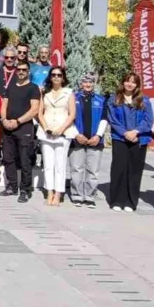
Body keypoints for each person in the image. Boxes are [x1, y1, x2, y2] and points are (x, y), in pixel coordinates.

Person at [0, 49, 41, 202]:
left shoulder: (33, 88)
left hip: (24, 128)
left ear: (28, 71)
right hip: (8, 127)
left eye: (24, 70)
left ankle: (25, 190)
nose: (21, 72)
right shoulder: (10, 87)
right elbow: (4, 104)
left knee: (25, 160)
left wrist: (18, 121)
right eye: (19, 69)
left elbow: (34, 109)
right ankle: (11, 187)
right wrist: (4, 120)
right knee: (8, 158)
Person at [106, 72, 154, 212]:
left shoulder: (144, 100)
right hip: (120, 138)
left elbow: (148, 120)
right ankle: (116, 200)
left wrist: (135, 132)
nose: (130, 84)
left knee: (134, 171)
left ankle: (130, 201)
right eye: (128, 81)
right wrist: (125, 133)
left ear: (137, 85)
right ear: (123, 82)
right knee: (118, 169)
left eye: (133, 82)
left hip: (139, 138)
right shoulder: (114, 99)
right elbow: (112, 119)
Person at [37, 66, 76, 207]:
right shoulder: (44, 92)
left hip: (63, 133)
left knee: (60, 165)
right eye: (53, 74)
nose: (56, 77)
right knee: (48, 165)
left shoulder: (69, 93)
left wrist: (61, 129)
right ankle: (49, 192)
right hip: (46, 132)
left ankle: (58, 193)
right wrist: (46, 127)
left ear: (63, 77)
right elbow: (40, 112)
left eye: (59, 75)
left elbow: (72, 114)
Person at [69, 73, 107, 209]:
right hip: (77, 139)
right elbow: (69, 118)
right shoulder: (73, 98)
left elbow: (104, 119)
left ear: (94, 84)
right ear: (81, 84)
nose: (88, 85)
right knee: (77, 169)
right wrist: (76, 134)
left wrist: (98, 135)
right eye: (85, 82)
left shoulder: (101, 99)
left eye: (90, 82)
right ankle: (77, 194)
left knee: (93, 170)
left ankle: (90, 195)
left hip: (95, 140)